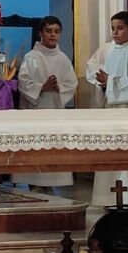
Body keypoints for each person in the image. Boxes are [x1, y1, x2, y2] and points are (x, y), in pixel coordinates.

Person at [85, 11, 128, 208]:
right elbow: (99, 75)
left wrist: (111, 82)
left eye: (120, 28)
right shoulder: (112, 51)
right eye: (113, 28)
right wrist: (103, 83)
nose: (115, 33)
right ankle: (109, 198)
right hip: (113, 112)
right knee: (112, 151)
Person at [12, 16, 78, 191]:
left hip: (55, 111)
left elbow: (72, 83)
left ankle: (50, 184)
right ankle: (33, 182)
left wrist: (59, 87)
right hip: (34, 112)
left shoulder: (63, 59)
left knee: (53, 148)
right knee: (34, 148)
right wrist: (42, 87)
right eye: (48, 31)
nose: (52, 35)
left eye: (56, 31)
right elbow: (23, 82)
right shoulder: (31, 57)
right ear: (40, 33)